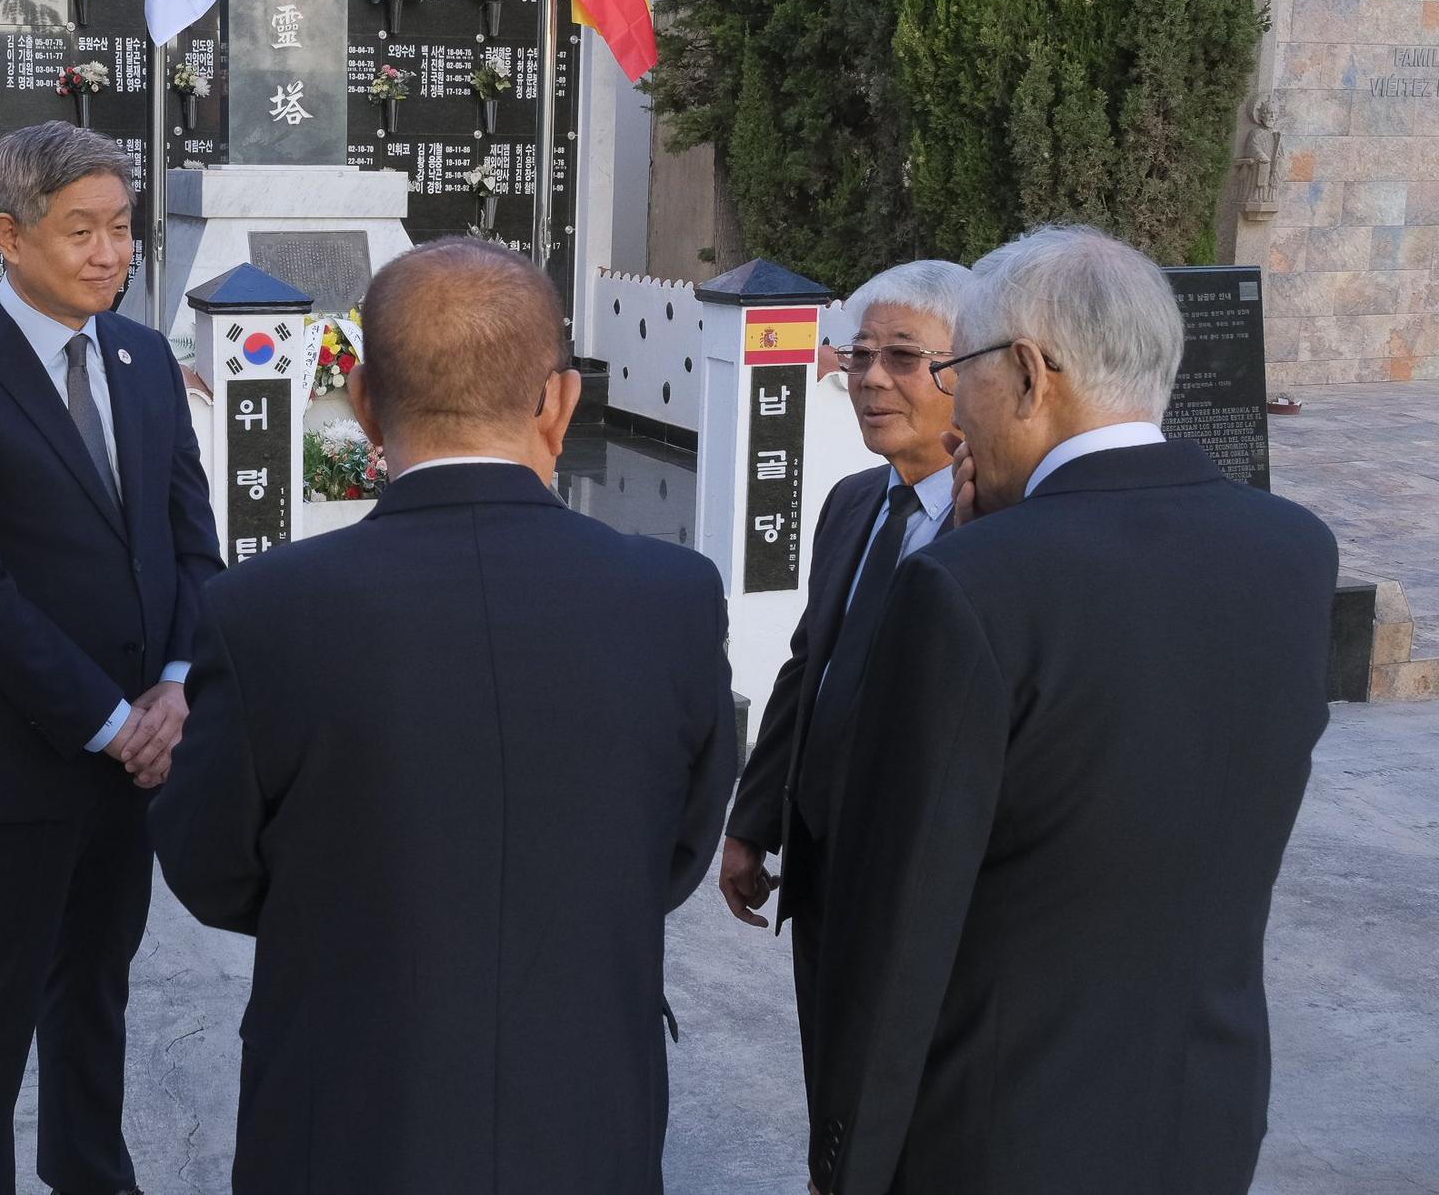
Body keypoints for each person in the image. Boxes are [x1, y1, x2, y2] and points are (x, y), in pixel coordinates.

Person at [150, 237, 738, 1194]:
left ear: (366, 399)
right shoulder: (670, 594)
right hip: (584, 1105)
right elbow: (672, 850)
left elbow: (211, 868)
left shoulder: (265, 607)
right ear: (560, 400)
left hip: (348, 1104)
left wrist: (350, 909)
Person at [807, 226, 1338, 1195]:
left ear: (1023, 371)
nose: (954, 410)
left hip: (996, 1126)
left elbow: (901, 923)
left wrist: (847, 1157)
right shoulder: (1293, 549)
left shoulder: (967, 583)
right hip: (1203, 1104)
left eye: (955, 367)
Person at [0, 121, 222, 1195]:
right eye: (78, 229)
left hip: (138, 760)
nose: (106, 251)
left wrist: (174, 686)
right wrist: (107, 717)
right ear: (8, 236)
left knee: (96, 996)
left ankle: (92, 1175)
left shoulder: (140, 360)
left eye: (119, 228)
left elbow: (190, 546)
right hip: (13, 757)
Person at [718, 261, 969, 1099]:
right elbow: (808, 668)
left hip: (923, 885)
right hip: (825, 869)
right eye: (859, 356)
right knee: (834, 1092)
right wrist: (754, 822)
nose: (870, 379)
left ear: (966, 369)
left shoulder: (1000, 528)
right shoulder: (856, 503)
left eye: (902, 357)